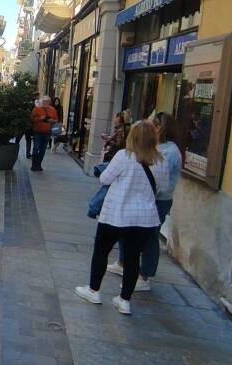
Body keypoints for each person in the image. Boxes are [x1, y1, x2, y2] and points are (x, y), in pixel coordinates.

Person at [75, 121, 168, 315]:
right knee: (133, 258)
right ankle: (125, 300)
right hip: (144, 218)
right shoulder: (161, 160)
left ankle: (93, 290)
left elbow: (104, 179)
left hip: (117, 214)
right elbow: (162, 188)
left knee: (101, 251)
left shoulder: (124, 157)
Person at [107, 112, 183, 292]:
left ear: (163, 128)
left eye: (154, 125)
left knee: (149, 237)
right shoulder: (156, 146)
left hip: (157, 201)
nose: (151, 127)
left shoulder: (170, 152)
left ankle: (145, 275)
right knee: (126, 229)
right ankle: (123, 263)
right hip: (142, 197)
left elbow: (160, 182)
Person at [30, 95, 59, 172]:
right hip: (37, 132)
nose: (45, 103)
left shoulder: (52, 110)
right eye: (44, 101)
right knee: (36, 149)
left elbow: (56, 120)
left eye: (47, 101)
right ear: (41, 102)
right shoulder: (37, 109)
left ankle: (39, 165)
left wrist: (52, 121)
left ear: (49, 102)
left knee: (43, 150)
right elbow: (31, 119)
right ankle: (34, 165)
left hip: (47, 133)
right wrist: (40, 118)